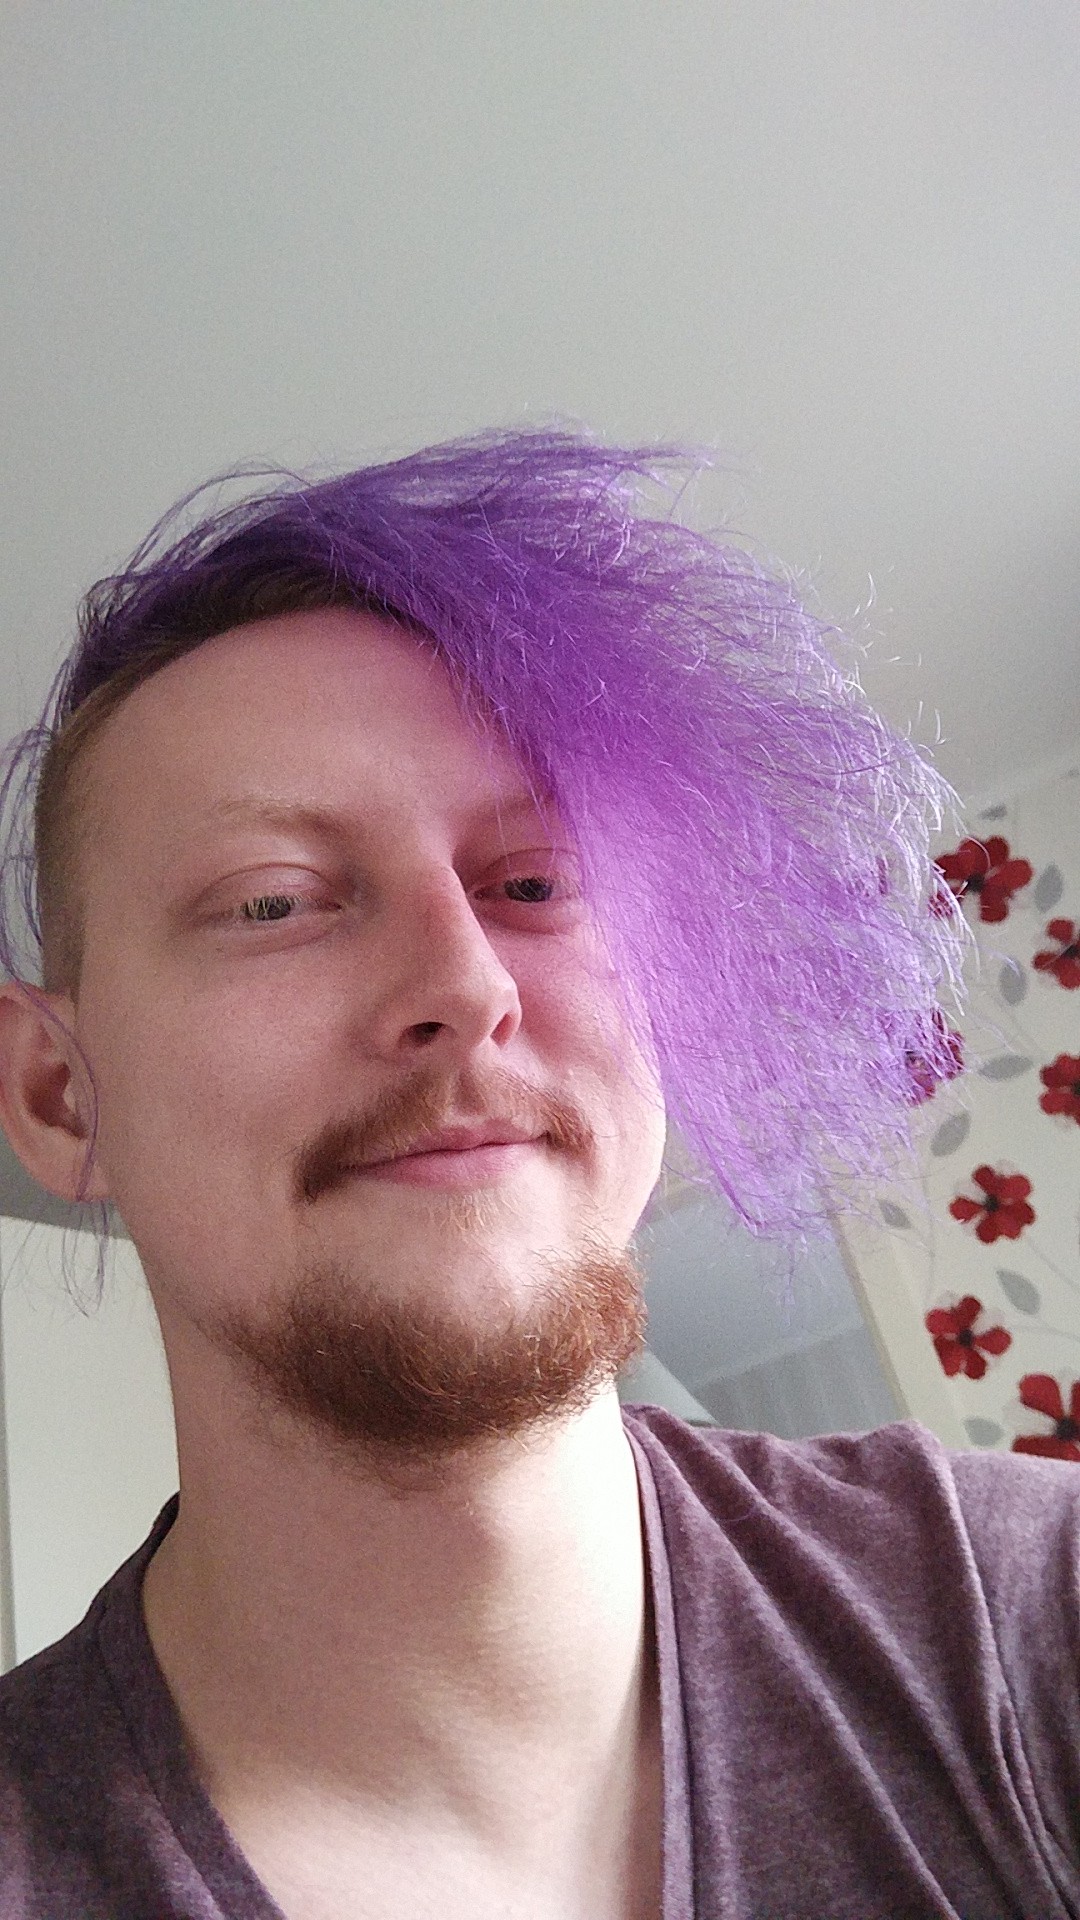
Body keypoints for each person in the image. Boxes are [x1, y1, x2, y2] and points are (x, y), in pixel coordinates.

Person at [0, 427, 1074, 1920]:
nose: (466, 982)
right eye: (274, 902)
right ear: (60, 1095)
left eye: (534, 884)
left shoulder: (1028, 1610)